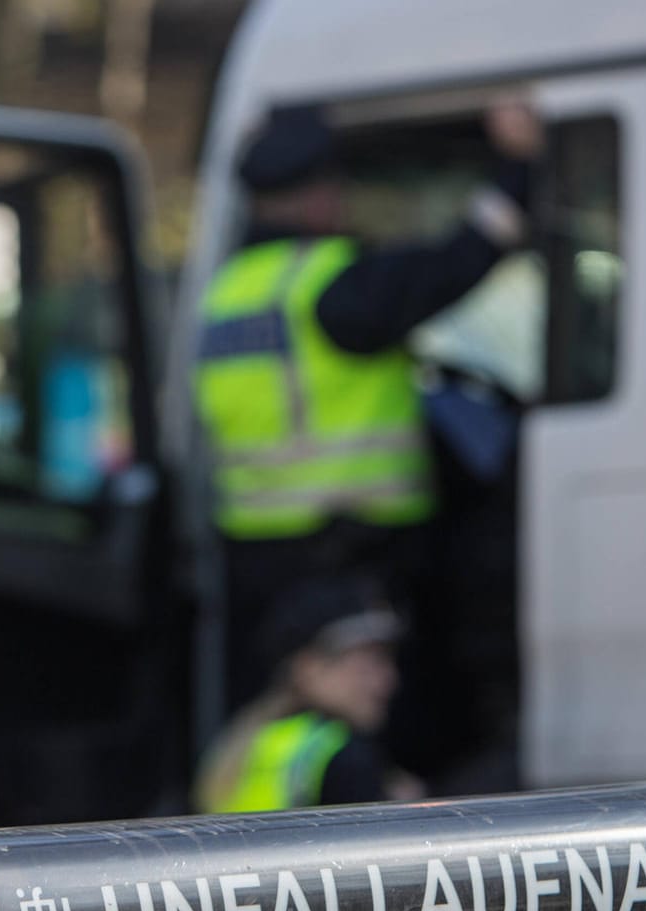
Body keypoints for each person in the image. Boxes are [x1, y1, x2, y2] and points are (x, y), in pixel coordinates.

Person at [196, 98, 544, 709]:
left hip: (258, 561)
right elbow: (459, 261)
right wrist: (520, 165)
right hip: (350, 556)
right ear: (321, 196)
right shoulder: (332, 286)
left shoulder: (228, 293)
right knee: (384, 711)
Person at [193, 577, 422, 813]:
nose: (388, 681)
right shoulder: (341, 755)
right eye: (368, 665)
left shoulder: (249, 744)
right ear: (307, 667)